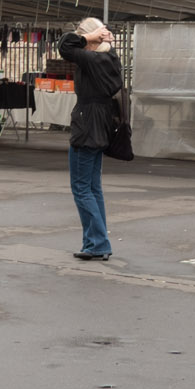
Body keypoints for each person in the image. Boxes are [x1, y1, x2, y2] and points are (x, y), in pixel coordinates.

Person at [57, 17, 123, 261]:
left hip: (87, 126)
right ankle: (94, 241)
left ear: (92, 40)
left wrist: (88, 37)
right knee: (93, 188)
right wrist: (97, 37)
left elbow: (64, 45)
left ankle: (98, 243)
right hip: (102, 124)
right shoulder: (111, 58)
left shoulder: (91, 58)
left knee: (81, 188)